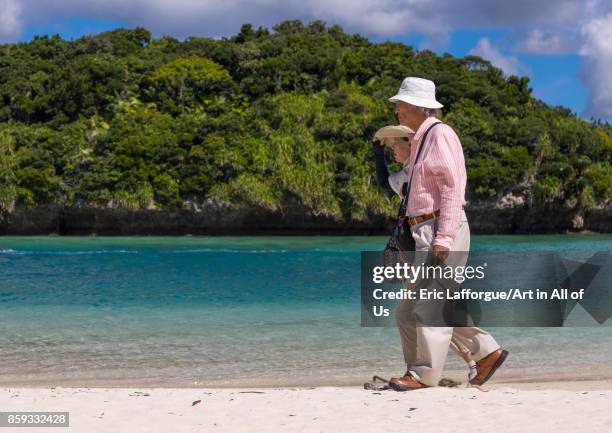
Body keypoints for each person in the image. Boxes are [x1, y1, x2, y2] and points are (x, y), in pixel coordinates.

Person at [380, 77, 508, 390]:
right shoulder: (421, 141)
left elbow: (453, 188)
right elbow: (400, 188)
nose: (396, 109)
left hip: (440, 227)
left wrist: (443, 239)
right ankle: (486, 353)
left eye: (400, 104)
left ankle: (423, 376)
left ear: (416, 106)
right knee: (407, 310)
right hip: (423, 228)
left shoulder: (441, 134)